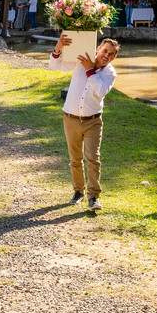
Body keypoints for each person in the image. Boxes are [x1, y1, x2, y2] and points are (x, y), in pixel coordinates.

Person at [47, 35, 119, 212]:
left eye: (110, 54)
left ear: (113, 57)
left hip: (93, 121)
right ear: (98, 49)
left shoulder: (110, 73)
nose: (106, 55)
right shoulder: (81, 60)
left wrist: (90, 71)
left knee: (93, 159)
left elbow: (101, 91)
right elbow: (54, 66)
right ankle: (78, 191)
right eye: (104, 51)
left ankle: (93, 197)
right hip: (70, 118)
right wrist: (59, 46)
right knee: (75, 159)